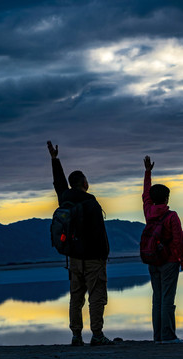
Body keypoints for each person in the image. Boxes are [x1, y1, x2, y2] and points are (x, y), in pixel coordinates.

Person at [47, 141, 114, 346]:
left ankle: (76, 335)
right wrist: (104, 255)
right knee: (96, 297)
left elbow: (59, 183)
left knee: (76, 298)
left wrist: (54, 160)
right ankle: (97, 335)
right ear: (83, 183)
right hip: (93, 258)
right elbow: (99, 234)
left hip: (74, 258)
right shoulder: (90, 202)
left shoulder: (65, 199)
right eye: (86, 180)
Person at [142, 156, 183, 344]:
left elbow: (145, 195)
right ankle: (168, 336)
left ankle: (158, 336)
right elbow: (178, 241)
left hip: (153, 261)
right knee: (167, 299)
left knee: (157, 299)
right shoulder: (171, 216)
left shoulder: (148, 212)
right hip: (169, 262)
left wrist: (147, 173)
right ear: (167, 198)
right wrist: (181, 261)